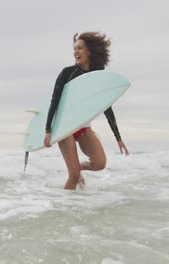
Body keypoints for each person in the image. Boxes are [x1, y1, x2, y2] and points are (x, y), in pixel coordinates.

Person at [43, 32, 129, 190]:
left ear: (90, 51)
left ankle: (77, 167)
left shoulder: (96, 76)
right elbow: (54, 101)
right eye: (74, 48)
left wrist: (118, 138)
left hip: (83, 126)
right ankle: (65, 208)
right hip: (65, 127)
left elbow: (106, 107)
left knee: (99, 164)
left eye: (80, 48)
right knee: (74, 176)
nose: (76, 51)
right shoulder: (67, 73)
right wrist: (48, 129)